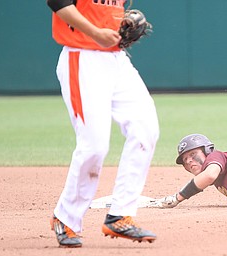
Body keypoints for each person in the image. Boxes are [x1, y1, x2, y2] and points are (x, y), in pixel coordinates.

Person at [46, 0, 159, 248]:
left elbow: (102, 10)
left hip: (117, 60)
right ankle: (66, 218)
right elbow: (57, 3)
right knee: (94, 146)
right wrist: (96, 32)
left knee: (146, 130)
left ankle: (120, 215)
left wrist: (119, 22)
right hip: (82, 59)